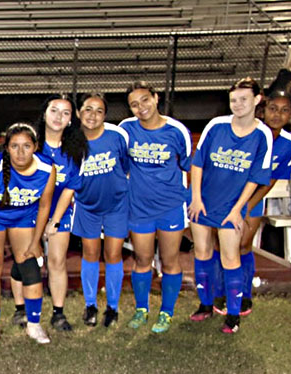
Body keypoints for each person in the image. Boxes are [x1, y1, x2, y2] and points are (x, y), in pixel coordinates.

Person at [188, 77, 272, 334]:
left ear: (257, 100)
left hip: (231, 207)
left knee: (230, 257)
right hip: (203, 202)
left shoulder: (262, 134)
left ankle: (233, 315)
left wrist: (238, 209)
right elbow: (198, 162)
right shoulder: (217, 125)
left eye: (244, 99)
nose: (237, 104)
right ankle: (205, 305)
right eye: (233, 99)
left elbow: (256, 177)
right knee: (201, 253)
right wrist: (196, 197)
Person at [118, 82, 192, 333]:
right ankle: (142, 309)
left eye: (145, 100)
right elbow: (121, 164)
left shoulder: (176, 131)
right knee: (142, 259)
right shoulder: (126, 129)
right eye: (134, 104)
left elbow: (189, 166)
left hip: (170, 206)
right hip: (139, 208)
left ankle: (167, 312)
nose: (141, 108)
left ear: (156, 98)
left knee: (170, 261)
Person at [0, 123, 56, 345]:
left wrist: (36, 240)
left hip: (23, 216)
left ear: (36, 147)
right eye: (14, 146)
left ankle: (34, 324)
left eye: (26, 146)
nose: (20, 152)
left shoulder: (47, 169)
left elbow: (44, 206)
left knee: (30, 266)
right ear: (7, 148)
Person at [227, 89, 291, 316]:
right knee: (222, 246)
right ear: (263, 111)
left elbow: (270, 180)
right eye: (273, 109)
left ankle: (244, 295)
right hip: (227, 195)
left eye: (284, 111)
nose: (277, 115)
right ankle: (221, 292)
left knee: (244, 244)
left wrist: (246, 206)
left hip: (253, 199)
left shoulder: (288, 144)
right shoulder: (250, 132)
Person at [73, 93, 130, 328]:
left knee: (114, 254)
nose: (92, 115)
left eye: (98, 110)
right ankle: (90, 305)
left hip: (117, 204)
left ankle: (113, 308)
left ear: (105, 115)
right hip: (87, 206)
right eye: (87, 109)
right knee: (90, 253)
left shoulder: (117, 135)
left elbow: (126, 165)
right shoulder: (72, 140)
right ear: (78, 113)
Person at [36, 94, 86, 332]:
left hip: (60, 212)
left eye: (65, 113)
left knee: (56, 261)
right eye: (54, 110)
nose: (59, 117)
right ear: (44, 113)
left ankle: (58, 312)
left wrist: (53, 222)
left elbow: (70, 189)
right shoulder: (32, 144)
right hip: (29, 212)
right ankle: (21, 310)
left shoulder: (75, 149)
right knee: (26, 261)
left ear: (70, 120)